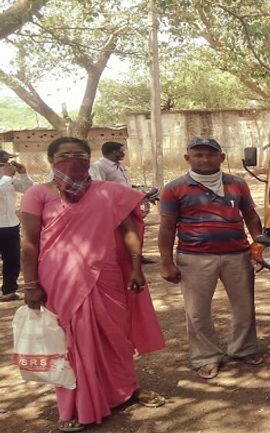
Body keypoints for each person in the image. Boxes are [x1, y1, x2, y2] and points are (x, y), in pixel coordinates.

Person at [20, 137, 165, 432]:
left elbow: (128, 232)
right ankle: (73, 406)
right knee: (71, 342)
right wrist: (30, 284)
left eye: (80, 154)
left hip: (107, 275)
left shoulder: (109, 191)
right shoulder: (38, 194)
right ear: (51, 160)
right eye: (64, 155)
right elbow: (29, 243)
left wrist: (136, 268)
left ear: (90, 159)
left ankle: (125, 390)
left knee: (116, 336)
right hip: (60, 279)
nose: (73, 159)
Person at [158, 137, 265, 380]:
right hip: (194, 258)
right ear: (188, 158)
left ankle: (243, 348)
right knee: (197, 312)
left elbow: (250, 215)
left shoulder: (238, 184)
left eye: (210, 154)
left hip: (237, 255)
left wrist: (258, 243)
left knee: (244, 306)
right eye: (198, 155)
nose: (204, 159)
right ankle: (205, 357)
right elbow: (166, 227)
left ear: (221, 158)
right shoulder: (174, 188)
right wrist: (166, 262)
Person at [0, 150, 33, 301]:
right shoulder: (6, 178)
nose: (8, 164)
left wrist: (23, 174)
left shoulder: (9, 179)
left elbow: (28, 189)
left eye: (8, 161)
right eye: (4, 162)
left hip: (11, 225)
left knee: (12, 259)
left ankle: (9, 291)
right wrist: (7, 176)